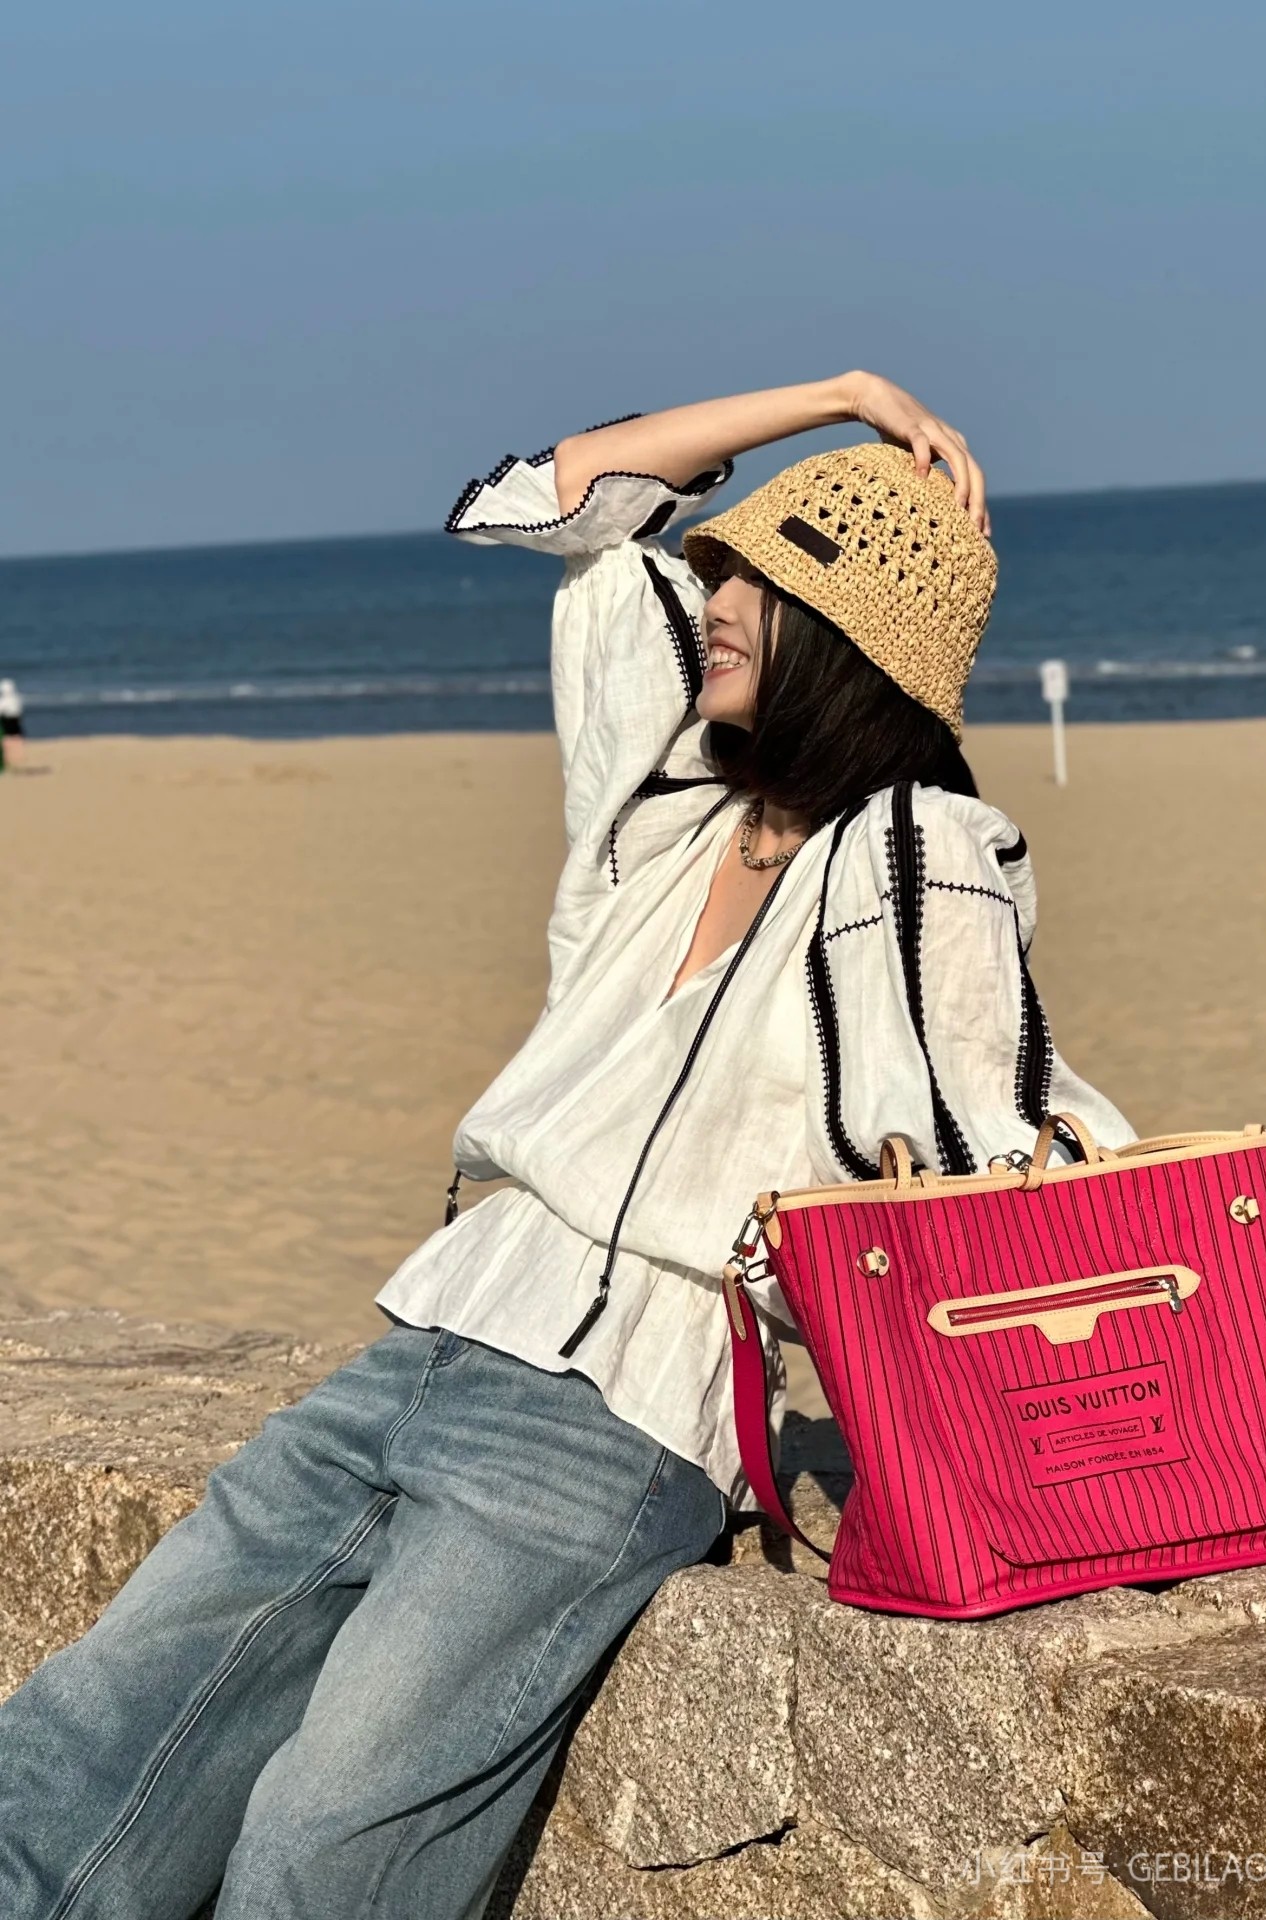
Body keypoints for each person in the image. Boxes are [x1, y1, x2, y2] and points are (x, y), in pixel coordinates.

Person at [0, 374, 1134, 1920]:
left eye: (756, 581)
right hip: (423, 1344)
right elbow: (549, 502)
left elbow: (984, 1124)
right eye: (717, 569)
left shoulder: (917, 857)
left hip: (610, 1425)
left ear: (845, 636)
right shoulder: (661, 812)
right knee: (74, 1758)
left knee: (320, 1850)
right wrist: (838, 393)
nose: (712, 599)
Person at [0, 677, 23, 769]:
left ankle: (7, 759)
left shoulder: (4, 700)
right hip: (16, 723)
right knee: (16, 740)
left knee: (6, 741)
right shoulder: (17, 698)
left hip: (6, 723)